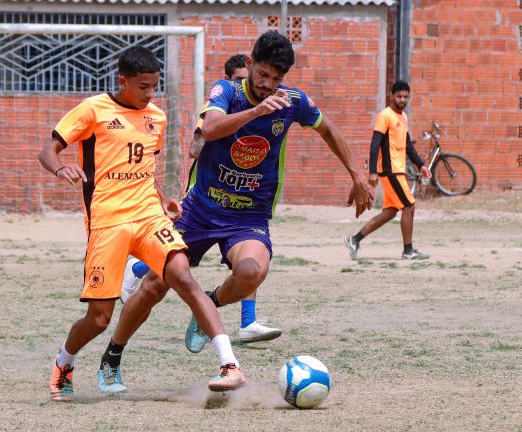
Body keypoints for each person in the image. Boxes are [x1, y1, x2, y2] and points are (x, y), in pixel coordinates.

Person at [106, 30, 373, 372]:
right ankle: (113, 355)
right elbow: (213, 128)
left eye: (277, 79)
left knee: (252, 272)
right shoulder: (227, 91)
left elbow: (328, 129)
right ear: (249, 65)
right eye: (262, 75)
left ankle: (207, 308)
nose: (268, 84)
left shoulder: (292, 101)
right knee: (156, 284)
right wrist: (257, 111)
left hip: (249, 216)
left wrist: (357, 175)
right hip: (201, 209)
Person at [38, 46, 246, 402]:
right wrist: (61, 167)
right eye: (143, 87)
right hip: (107, 222)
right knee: (99, 319)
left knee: (183, 276)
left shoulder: (157, 117)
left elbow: (140, 167)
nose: (150, 94)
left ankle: (229, 364)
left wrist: (162, 196)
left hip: (148, 216)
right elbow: (47, 150)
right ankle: (64, 361)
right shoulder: (93, 110)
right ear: (123, 81)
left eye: (154, 87)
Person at [121, 53, 282, 344]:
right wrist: (231, 131)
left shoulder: (268, 106)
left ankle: (248, 321)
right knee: (174, 264)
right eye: (238, 80)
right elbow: (197, 146)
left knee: (249, 262)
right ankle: (137, 266)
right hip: (206, 196)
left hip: (245, 203)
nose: (245, 85)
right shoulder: (217, 105)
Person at [344, 80, 431, 260]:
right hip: (390, 171)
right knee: (409, 205)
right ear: (392, 96)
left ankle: (354, 240)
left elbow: (407, 145)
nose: (402, 100)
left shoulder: (403, 117)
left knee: (390, 212)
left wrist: (421, 165)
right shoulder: (385, 115)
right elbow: (375, 143)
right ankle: (408, 251)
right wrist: (373, 171)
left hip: (398, 171)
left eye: (406, 96)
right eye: (399, 96)